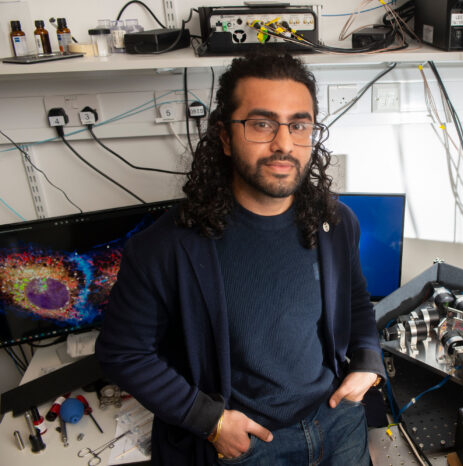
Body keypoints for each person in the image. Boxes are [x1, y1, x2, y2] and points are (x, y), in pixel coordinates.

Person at [95, 52, 384, 465]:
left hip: (338, 422)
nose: (284, 143)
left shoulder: (335, 223)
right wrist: (209, 420)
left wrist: (368, 361)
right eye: (262, 124)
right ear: (226, 137)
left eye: (299, 125)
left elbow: (355, 303)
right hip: (246, 444)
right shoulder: (165, 247)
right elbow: (123, 353)